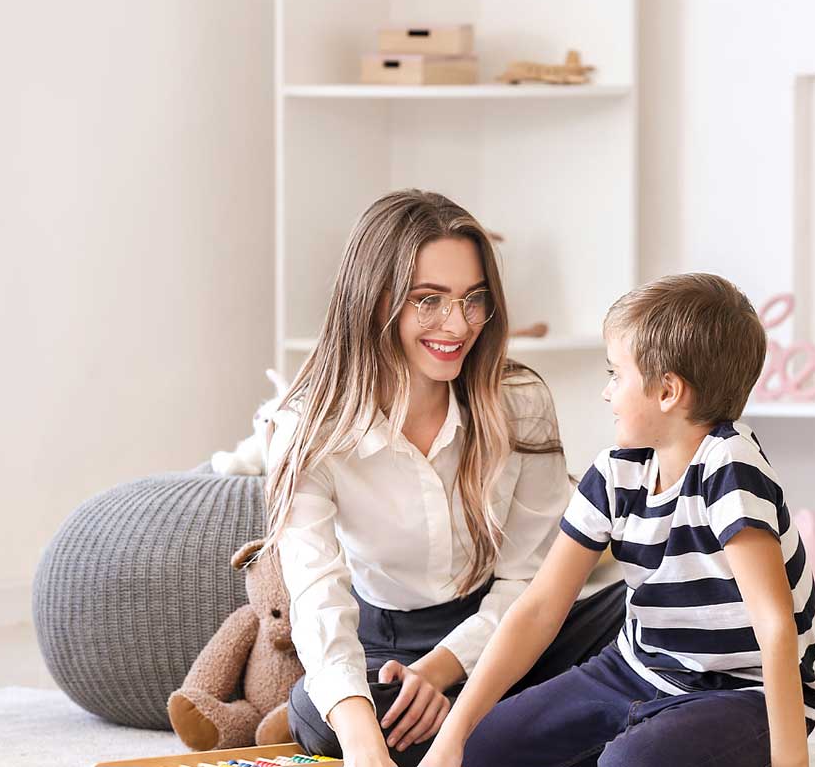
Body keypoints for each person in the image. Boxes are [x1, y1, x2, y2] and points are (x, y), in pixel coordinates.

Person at [263, 189, 625, 767]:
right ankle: (537, 736)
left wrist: (445, 667)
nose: (457, 325)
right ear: (372, 300)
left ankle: (501, 732)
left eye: (472, 299)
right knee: (320, 712)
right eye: (428, 301)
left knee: (645, 611)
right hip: (385, 647)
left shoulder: (520, 401)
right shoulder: (308, 428)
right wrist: (364, 748)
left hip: (511, 632)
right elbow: (317, 599)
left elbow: (529, 582)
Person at [423, 272, 815, 767]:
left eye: (616, 374)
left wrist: (791, 760)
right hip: (635, 670)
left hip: (743, 693)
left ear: (667, 392)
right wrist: (454, 735)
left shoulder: (730, 467)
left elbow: (775, 624)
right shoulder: (616, 471)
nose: (605, 392)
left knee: (627, 764)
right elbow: (539, 608)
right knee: (479, 749)